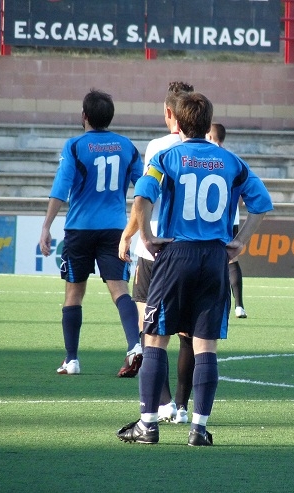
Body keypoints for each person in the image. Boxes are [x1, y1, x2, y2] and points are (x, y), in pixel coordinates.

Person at [116, 91, 273, 446]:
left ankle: (148, 425)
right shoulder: (231, 161)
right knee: (205, 346)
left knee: (155, 336)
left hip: (177, 254)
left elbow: (142, 197)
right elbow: (261, 203)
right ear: (207, 123)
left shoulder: (166, 157)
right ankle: (198, 429)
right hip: (215, 258)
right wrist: (241, 240)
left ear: (178, 121)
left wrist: (149, 236)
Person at [39, 89, 144, 377]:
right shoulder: (127, 147)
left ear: (84, 116)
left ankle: (71, 359)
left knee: (74, 293)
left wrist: (46, 226)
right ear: (109, 117)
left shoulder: (74, 146)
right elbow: (144, 189)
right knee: (120, 291)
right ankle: (134, 346)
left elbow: (61, 189)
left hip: (80, 230)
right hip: (114, 229)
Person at [119, 81, 195, 424]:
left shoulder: (159, 147)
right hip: (195, 251)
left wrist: (129, 235)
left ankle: (162, 406)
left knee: (150, 331)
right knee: (189, 335)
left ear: (169, 113)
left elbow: (144, 201)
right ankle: (180, 405)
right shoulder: (208, 148)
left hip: (157, 252)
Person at [207, 122, 247, 318]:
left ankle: (215, 306)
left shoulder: (206, 157)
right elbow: (241, 197)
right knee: (232, 260)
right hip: (231, 219)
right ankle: (239, 306)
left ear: (211, 137)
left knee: (209, 259)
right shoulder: (233, 160)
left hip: (209, 219)